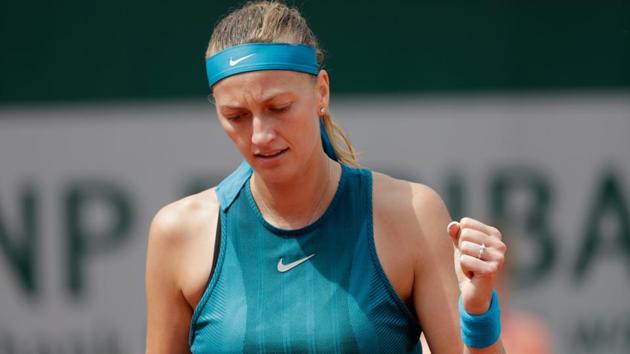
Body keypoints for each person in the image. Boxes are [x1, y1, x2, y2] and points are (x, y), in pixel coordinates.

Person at [145, 1, 508, 353]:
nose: (259, 135)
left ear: (321, 92)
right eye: (236, 116)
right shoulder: (178, 233)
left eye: (278, 108)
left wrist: (477, 313)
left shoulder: (411, 214)